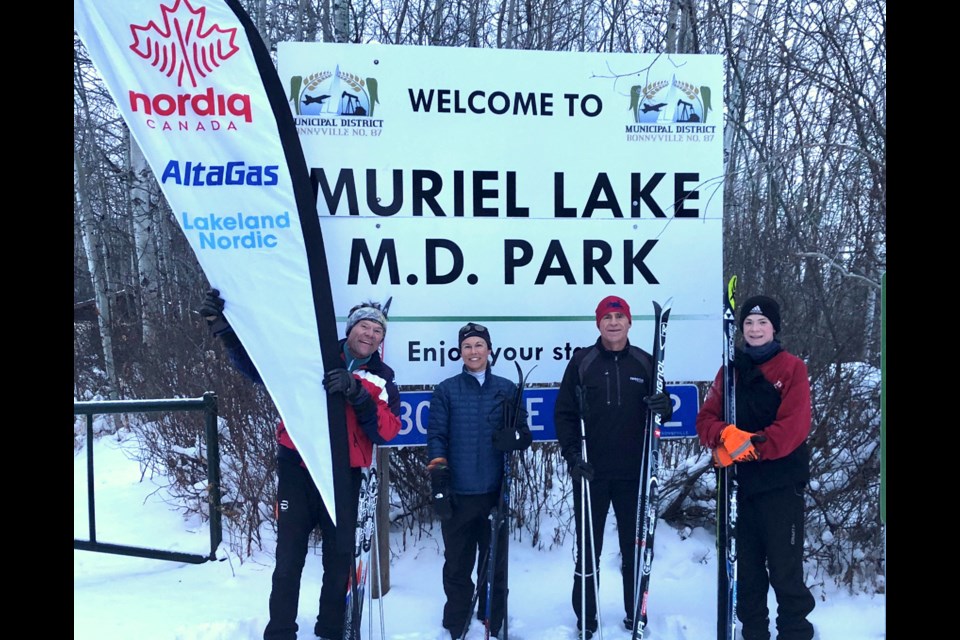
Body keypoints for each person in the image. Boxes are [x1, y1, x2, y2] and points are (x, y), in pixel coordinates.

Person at [199, 289, 402, 640]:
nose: (369, 335)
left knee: (339, 562)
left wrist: (357, 394)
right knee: (289, 558)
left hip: (345, 474)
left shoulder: (382, 379)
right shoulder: (314, 356)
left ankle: (332, 630)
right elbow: (262, 369)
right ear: (351, 328)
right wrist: (225, 330)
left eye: (377, 331)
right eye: (364, 327)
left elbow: (386, 432)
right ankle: (279, 632)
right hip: (299, 466)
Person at [695, 295, 816, 640]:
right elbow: (705, 420)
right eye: (748, 323)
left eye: (762, 323)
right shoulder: (730, 371)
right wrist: (723, 434)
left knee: (784, 569)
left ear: (774, 327)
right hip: (739, 489)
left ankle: (794, 631)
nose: (755, 329)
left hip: (781, 486)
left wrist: (740, 449)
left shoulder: (792, 368)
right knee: (746, 571)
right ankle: (754, 632)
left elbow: (792, 429)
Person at [553, 295, 673, 638]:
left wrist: (666, 405)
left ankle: (635, 613)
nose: (614, 322)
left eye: (620, 316)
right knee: (589, 551)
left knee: (634, 550)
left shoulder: (646, 363)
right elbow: (563, 415)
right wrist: (573, 457)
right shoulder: (582, 363)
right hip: (592, 473)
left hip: (634, 475)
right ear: (598, 323)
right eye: (608, 317)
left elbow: (664, 410)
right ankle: (587, 619)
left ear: (630, 322)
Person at [426, 322, 533, 640]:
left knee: (494, 565)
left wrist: (515, 437)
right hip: (458, 493)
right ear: (461, 352)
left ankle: (494, 618)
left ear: (489, 350)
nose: (473, 352)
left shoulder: (506, 389)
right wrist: (440, 482)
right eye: (468, 346)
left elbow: (524, 432)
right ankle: (456, 621)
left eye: (479, 345)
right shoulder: (446, 390)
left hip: (493, 492)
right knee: (457, 564)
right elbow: (436, 436)